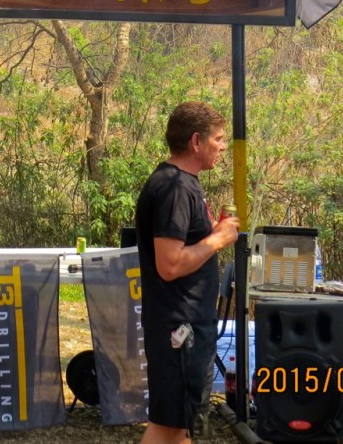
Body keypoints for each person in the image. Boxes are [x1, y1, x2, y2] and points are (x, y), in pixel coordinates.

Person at [136, 101, 240, 444]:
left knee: (175, 425)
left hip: (186, 323)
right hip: (178, 326)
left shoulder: (183, 183)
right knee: (170, 425)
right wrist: (218, 240)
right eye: (218, 139)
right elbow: (170, 264)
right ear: (196, 142)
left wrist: (209, 231)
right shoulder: (175, 187)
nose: (223, 147)